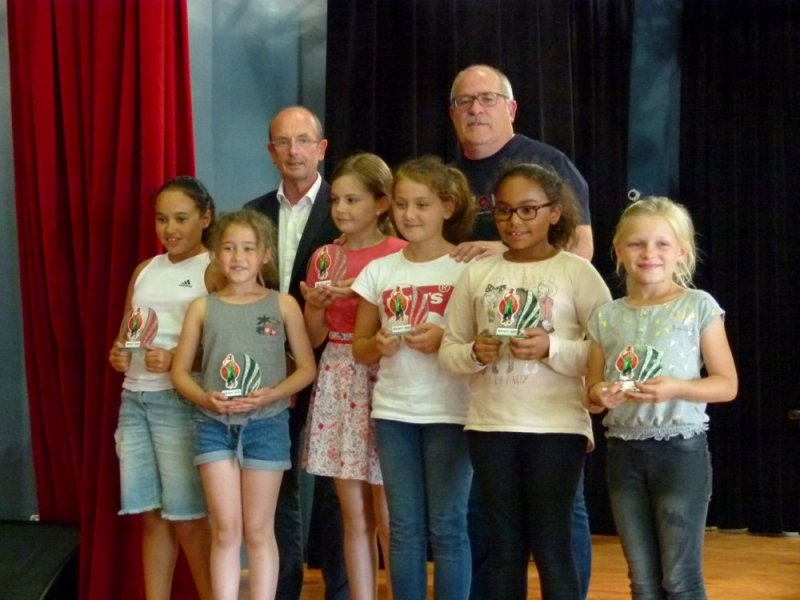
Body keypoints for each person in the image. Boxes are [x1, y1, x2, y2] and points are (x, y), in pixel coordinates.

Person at [447, 64, 595, 599]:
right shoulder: (450, 176)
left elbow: (584, 252)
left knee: (556, 535)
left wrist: (551, 344)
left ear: (510, 108)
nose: (475, 109)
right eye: (465, 102)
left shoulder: (548, 164)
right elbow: (451, 345)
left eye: (487, 98)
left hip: (555, 417)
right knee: (495, 532)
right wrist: (473, 350)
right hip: (488, 411)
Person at [586, 197, 738, 599]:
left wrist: (677, 388)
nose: (648, 253)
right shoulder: (605, 316)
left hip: (680, 451)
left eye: (662, 244)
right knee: (642, 580)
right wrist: (601, 394)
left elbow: (726, 384)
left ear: (681, 252)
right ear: (619, 250)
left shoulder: (698, 306)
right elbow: (591, 395)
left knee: (679, 579)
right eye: (636, 243)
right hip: (623, 454)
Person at [171, 209, 317, 600]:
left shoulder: (283, 305)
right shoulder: (202, 308)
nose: (238, 257)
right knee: (226, 530)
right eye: (229, 248)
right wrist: (204, 397)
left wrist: (273, 394)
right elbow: (180, 372)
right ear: (216, 254)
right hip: (213, 426)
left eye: (248, 248)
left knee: (258, 530)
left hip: (267, 425)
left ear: (265, 254)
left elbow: (307, 368)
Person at [351, 156, 476, 600]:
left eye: (422, 205)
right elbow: (360, 345)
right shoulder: (380, 270)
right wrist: (379, 344)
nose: (410, 214)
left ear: (447, 207)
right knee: (403, 526)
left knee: (448, 524)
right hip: (395, 413)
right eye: (402, 204)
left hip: (452, 411)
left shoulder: (467, 269)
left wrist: (446, 339)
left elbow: (480, 344)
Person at [244, 106, 347, 599]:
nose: (293, 151)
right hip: (270, 367)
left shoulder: (345, 209)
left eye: (303, 140)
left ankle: (340, 590)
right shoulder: (252, 213)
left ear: (321, 149)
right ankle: (284, 590)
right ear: (271, 152)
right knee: (276, 484)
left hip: (337, 363)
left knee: (335, 488)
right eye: (282, 142)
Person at [300, 153, 407, 599]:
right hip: (338, 374)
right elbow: (315, 336)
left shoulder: (399, 253)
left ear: (381, 203)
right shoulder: (325, 257)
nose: (341, 209)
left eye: (352, 199)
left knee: (389, 512)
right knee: (353, 512)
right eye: (336, 200)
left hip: (385, 374)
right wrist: (316, 306)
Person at [109, 176, 215, 600]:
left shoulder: (214, 269)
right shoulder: (146, 269)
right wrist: (119, 353)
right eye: (162, 219)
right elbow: (126, 333)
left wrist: (178, 361)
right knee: (149, 514)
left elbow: (228, 345)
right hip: (135, 398)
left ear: (205, 218)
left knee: (187, 517)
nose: (170, 229)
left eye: (181, 219)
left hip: (180, 401)